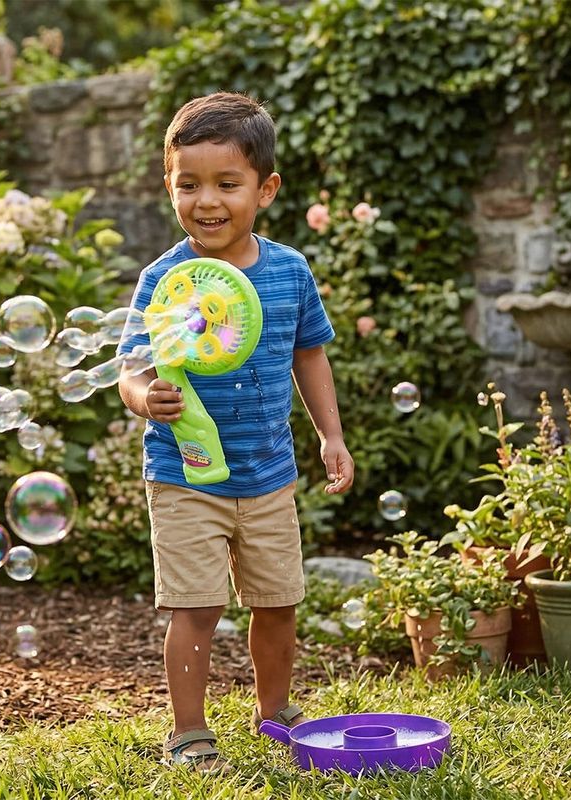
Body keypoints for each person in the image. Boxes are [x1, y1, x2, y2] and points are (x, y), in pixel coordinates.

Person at [117, 91, 354, 774]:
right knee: (196, 606)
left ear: (265, 189)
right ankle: (189, 731)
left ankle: (274, 713)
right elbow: (130, 367)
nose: (206, 200)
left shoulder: (289, 273)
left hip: (270, 471)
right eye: (188, 184)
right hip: (184, 470)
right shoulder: (165, 281)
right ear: (170, 186)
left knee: (277, 602)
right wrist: (144, 397)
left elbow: (310, 353)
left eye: (227, 183)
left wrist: (330, 436)